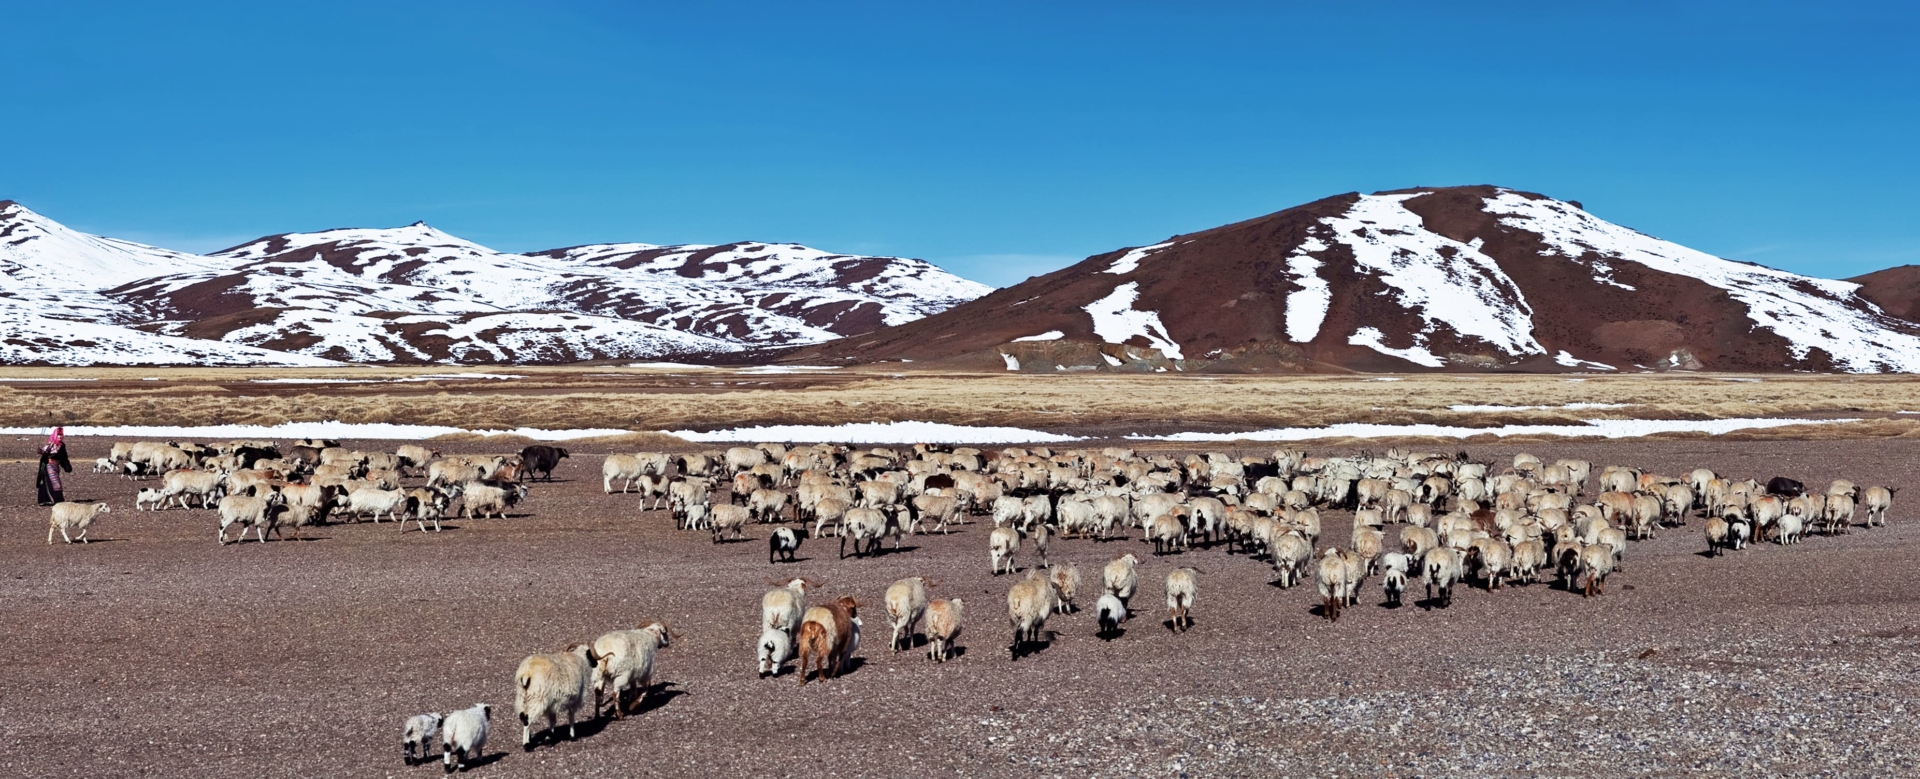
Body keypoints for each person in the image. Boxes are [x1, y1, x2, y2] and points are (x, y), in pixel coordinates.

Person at [36, 426, 71, 506]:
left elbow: (64, 457)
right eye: (59, 434)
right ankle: (52, 500)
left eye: (61, 435)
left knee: (54, 482)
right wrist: (41, 451)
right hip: (48, 465)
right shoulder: (51, 444)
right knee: (52, 482)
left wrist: (67, 466)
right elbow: (45, 451)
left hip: (55, 466)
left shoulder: (61, 446)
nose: (60, 436)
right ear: (55, 435)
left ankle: (56, 500)